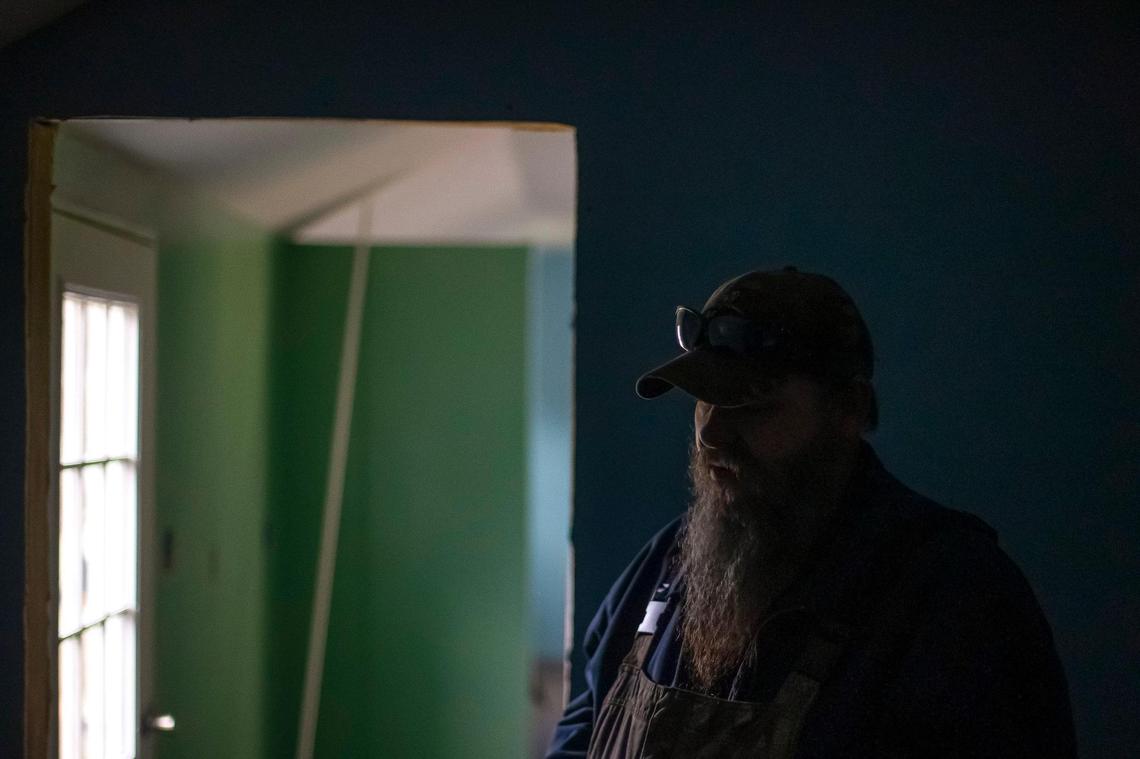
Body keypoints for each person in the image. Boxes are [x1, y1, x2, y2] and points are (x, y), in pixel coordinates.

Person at [545, 267, 1076, 758]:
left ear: (848, 409)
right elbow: (580, 737)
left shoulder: (950, 594)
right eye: (705, 401)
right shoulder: (663, 568)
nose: (711, 434)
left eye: (751, 405)